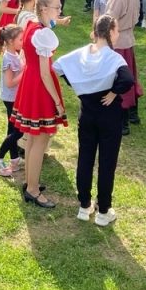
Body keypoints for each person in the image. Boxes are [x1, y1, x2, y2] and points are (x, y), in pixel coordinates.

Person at [54, 14, 135, 226]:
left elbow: (58, 67)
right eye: (117, 30)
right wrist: (114, 92)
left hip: (87, 114)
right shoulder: (114, 58)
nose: (118, 34)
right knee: (107, 162)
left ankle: (84, 205)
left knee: (85, 158)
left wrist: (79, 86)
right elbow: (128, 80)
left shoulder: (82, 53)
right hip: (109, 116)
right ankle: (103, 210)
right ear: (110, 32)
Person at [11, 0, 68, 208]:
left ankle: (30, 182)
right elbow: (45, 73)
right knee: (40, 140)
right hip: (40, 87)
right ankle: (33, 190)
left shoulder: (32, 25)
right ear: (44, 9)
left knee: (33, 139)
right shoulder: (42, 33)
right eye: (57, 7)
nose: (59, 10)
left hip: (30, 82)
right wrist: (57, 101)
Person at [102, 0, 143, 135]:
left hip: (118, 40)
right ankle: (133, 114)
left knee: (119, 79)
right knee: (129, 75)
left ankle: (123, 121)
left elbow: (111, 17)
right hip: (128, 38)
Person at [0, 23, 25, 177]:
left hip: (15, 98)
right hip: (11, 99)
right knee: (19, 131)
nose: (23, 42)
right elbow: (9, 83)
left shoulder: (14, 54)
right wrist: (25, 72)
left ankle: (14, 160)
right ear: (10, 41)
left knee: (12, 129)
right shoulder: (8, 59)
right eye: (20, 39)